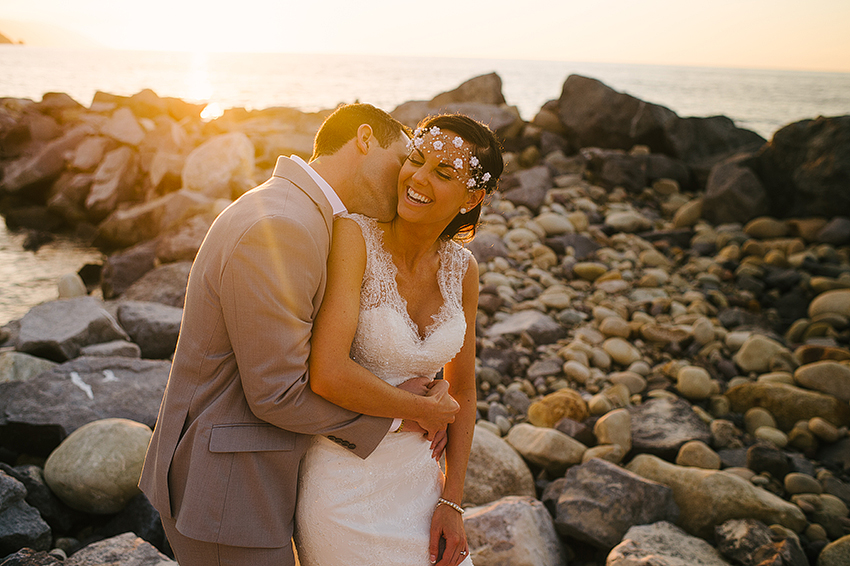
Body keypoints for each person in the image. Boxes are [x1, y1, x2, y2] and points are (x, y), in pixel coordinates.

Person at [138, 103, 461, 566]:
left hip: (247, 478)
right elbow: (277, 393)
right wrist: (403, 415)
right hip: (231, 489)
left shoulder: (299, 213)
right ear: (364, 139)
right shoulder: (283, 226)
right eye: (404, 157)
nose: (406, 178)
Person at [295, 114, 504, 566]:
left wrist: (452, 500)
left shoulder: (462, 270)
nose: (418, 178)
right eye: (417, 159)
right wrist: (422, 408)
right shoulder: (354, 236)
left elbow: (463, 389)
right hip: (344, 482)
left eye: (443, 173)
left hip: (422, 484)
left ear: (473, 197)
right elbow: (327, 374)